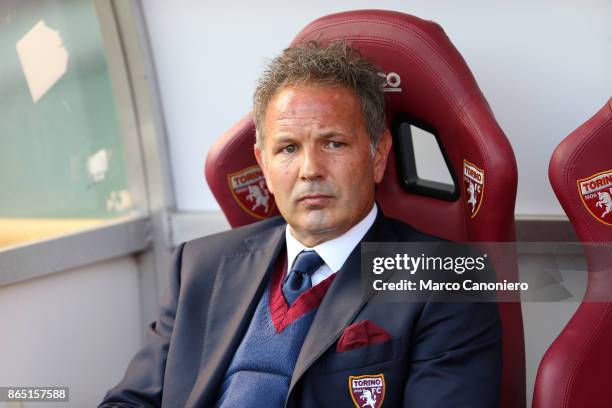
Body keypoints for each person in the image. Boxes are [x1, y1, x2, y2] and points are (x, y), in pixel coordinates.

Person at [99, 41, 502, 407]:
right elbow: (129, 401)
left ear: (378, 155)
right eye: (288, 148)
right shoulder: (199, 265)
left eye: (334, 143)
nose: (311, 170)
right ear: (264, 166)